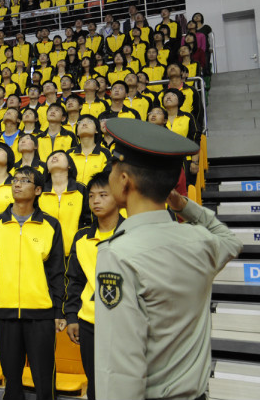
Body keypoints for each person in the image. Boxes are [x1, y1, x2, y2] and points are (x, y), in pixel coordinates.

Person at [95, 118, 242, 399]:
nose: (111, 173)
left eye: (114, 167)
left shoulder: (118, 255)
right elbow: (230, 240)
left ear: (124, 182)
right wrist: (184, 205)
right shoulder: (200, 240)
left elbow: (119, 369)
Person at [0, 166, 65, 400]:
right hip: (6, 310)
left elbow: (56, 271)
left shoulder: (50, 225)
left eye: (25, 181)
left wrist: (58, 310)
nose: (17, 184)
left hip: (40, 312)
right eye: (15, 180)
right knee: (11, 378)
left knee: (43, 377)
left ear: (38, 190)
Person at [65, 171, 122, 400]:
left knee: (122, 385)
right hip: (89, 322)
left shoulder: (134, 234)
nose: (95, 201)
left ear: (118, 197)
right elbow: (75, 281)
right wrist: (71, 317)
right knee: (96, 385)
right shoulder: (82, 237)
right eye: (91, 196)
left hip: (124, 324)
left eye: (102, 195)